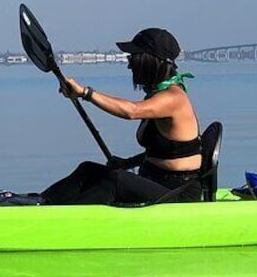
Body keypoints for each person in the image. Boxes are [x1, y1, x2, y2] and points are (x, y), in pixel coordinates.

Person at [41, 27, 202, 205]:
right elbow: (165, 152)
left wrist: (85, 93)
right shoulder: (157, 97)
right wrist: (127, 163)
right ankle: (40, 202)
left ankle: (61, 214)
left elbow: (130, 111)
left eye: (133, 58)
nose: (129, 64)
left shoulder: (174, 98)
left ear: (151, 60)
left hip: (177, 193)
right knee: (88, 170)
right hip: (157, 182)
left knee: (114, 180)